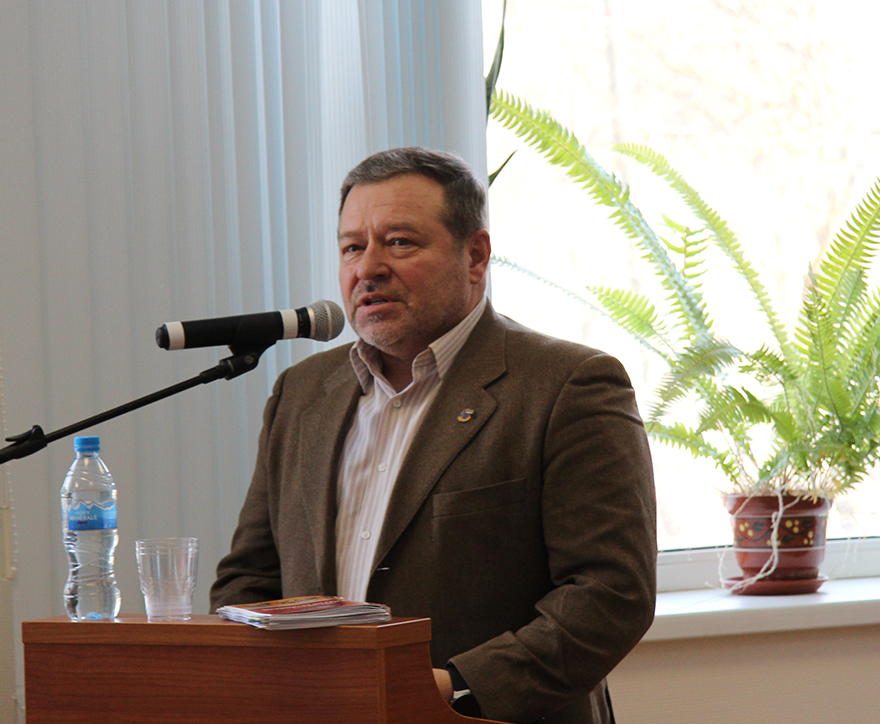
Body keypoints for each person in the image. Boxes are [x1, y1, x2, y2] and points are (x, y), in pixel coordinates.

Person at [210, 147, 657, 724]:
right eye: (352, 247)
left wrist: (456, 687)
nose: (368, 268)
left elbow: (611, 593)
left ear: (475, 256)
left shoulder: (567, 385)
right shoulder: (302, 394)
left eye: (399, 242)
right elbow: (248, 579)